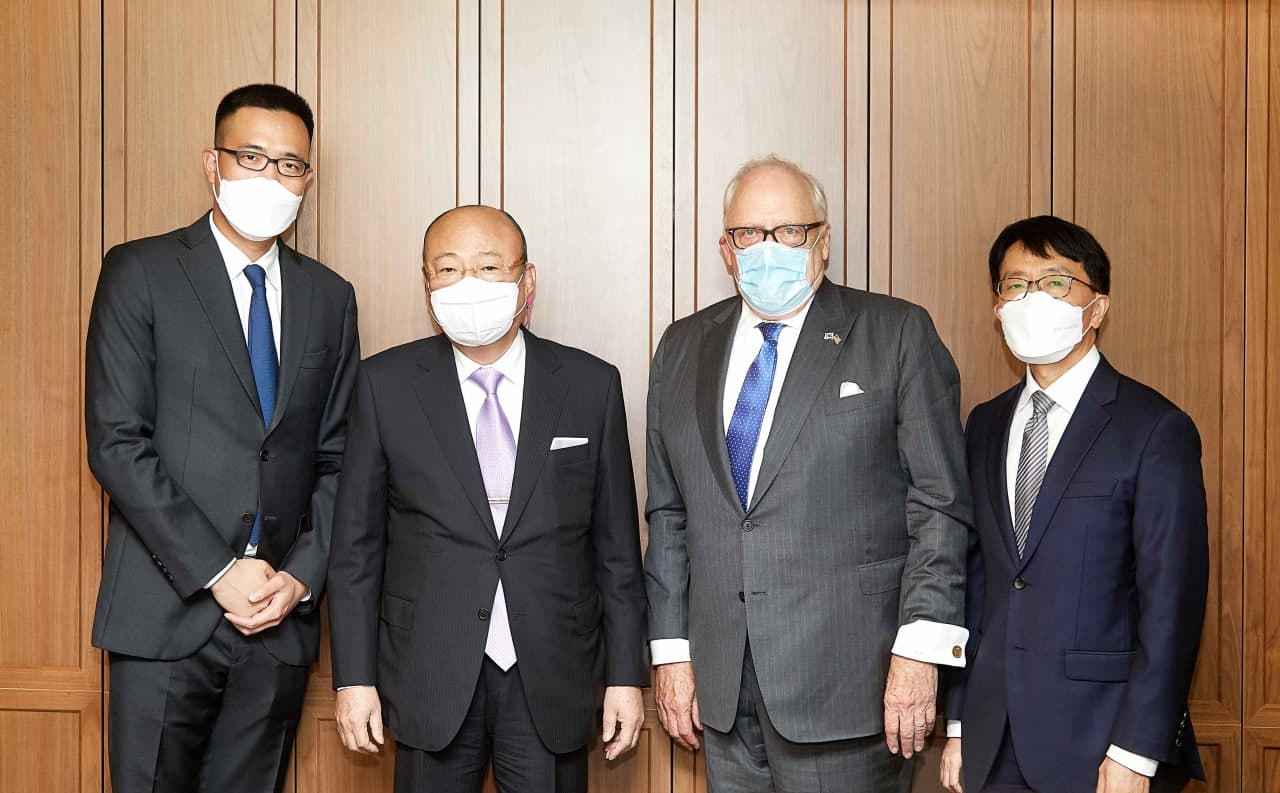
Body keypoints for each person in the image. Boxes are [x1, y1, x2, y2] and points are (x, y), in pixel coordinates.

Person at [644, 155, 973, 792]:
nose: (768, 249)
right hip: (721, 689)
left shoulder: (896, 333)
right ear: (726, 248)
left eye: (789, 232)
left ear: (821, 240)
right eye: (749, 234)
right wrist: (672, 651)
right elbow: (668, 512)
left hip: (853, 688)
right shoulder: (683, 347)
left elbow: (940, 505)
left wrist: (920, 652)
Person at [86, 83, 359, 793]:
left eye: (290, 165)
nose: (272, 178)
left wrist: (300, 574)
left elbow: (339, 456)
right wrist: (217, 569)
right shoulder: (139, 271)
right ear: (213, 163)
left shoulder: (330, 298)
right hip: (165, 615)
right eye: (252, 157)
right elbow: (117, 441)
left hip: (278, 621)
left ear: (309, 178)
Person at [327, 205, 649, 793]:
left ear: (527, 281)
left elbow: (617, 553)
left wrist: (627, 676)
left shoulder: (590, 386)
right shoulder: (384, 386)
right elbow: (356, 550)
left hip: (552, 673)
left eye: (489, 267)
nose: (467, 285)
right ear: (427, 286)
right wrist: (353, 679)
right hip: (428, 671)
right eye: (447, 270)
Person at [940, 215, 1208, 793]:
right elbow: (977, 581)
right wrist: (960, 722)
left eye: (1056, 282)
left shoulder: (1154, 428)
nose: (1033, 297)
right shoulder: (984, 426)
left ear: (1097, 307)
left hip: (1104, 742)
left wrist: (1138, 750)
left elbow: (1172, 603)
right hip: (994, 741)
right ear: (998, 307)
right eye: (1016, 285)